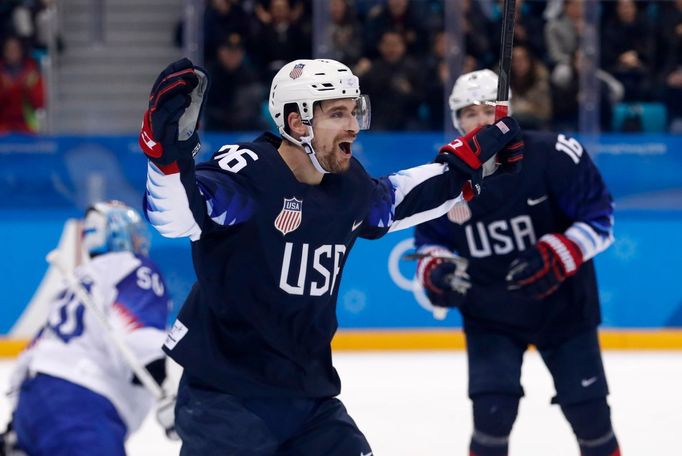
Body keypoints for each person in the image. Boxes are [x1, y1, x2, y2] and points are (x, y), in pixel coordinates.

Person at [138, 57, 524, 454]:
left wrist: (467, 170)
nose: (354, 125)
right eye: (338, 113)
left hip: (308, 399)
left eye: (355, 110)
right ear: (297, 122)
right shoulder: (249, 174)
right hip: (224, 401)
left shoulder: (346, 185)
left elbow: (397, 200)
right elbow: (179, 216)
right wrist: (166, 161)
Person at [414, 69, 620, 456]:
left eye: (485, 111)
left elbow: (600, 217)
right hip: (490, 313)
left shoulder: (554, 153)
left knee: (591, 417)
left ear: (505, 114)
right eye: (466, 113)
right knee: (492, 419)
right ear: (456, 120)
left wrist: (563, 252)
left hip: (565, 309)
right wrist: (436, 270)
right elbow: (430, 240)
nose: (476, 122)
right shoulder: (445, 174)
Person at [3, 201, 175, 456]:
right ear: (120, 235)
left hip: (32, 402)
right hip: (80, 405)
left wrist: (16, 426)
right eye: (136, 234)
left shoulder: (78, 281)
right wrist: (176, 397)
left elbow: (37, 350)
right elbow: (137, 340)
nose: (141, 242)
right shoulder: (135, 267)